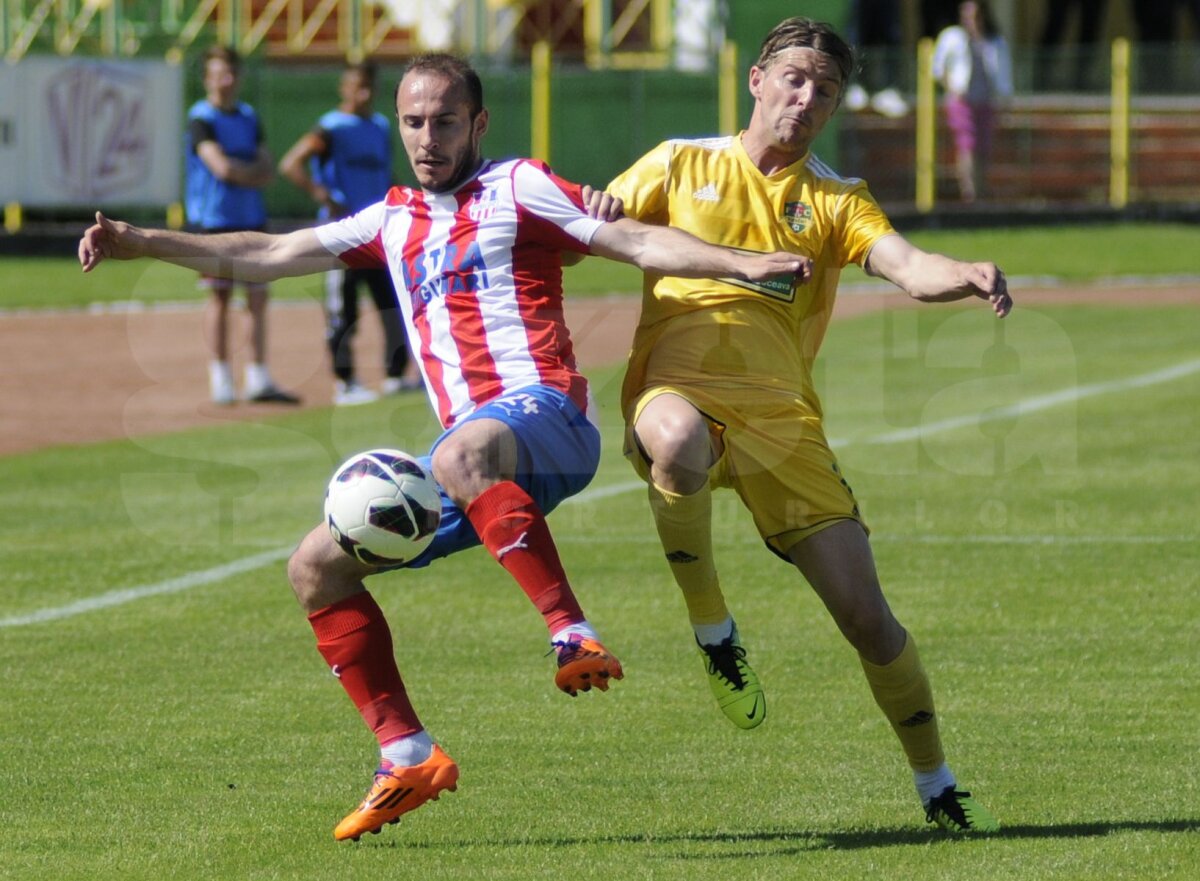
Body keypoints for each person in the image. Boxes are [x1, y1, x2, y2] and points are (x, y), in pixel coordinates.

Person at [79, 53, 807, 842]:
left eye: (445, 121)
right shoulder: (390, 219)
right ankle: (408, 753)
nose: (428, 138)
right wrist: (140, 240)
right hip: (478, 464)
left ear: (479, 123)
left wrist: (747, 265)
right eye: (414, 122)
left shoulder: (518, 186)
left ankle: (571, 630)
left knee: (461, 453)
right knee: (314, 567)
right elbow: (266, 252)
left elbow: (634, 241)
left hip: (550, 420)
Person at [590, 16, 1009, 833]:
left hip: (784, 424)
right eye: (794, 78)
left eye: (824, 88)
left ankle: (939, 786)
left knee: (869, 620)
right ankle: (715, 630)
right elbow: (589, 230)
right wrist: (594, 209)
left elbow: (906, 265)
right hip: (679, 388)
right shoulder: (678, 163)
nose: (806, 97)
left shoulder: (836, 199)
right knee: (675, 439)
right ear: (757, 80)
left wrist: (959, 271)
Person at [278, 60, 422, 406]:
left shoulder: (379, 126)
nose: (365, 93)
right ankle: (345, 382)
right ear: (344, 88)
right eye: (358, 86)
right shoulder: (331, 127)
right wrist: (322, 194)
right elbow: (291, 164)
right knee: (344, 310)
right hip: (342, 235)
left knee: (393, 304)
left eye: (370, 86)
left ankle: (395, 375)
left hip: (379, 234)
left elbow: (386, 172)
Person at [185, 45, 299, 405]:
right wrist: (249, 173)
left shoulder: (249, 116)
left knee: (258, 296)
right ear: (207, 78)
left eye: (232, 73)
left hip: (251, 218)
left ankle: (258, 376)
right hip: (215, 219)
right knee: (220, 296)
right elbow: (221, 168)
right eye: (220, 74)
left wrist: (243, 173)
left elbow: (266, 165)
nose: (227, 81)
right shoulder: (201, 118)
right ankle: (220, 376)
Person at [932, 1, 1012, 203]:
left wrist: (1005, 99)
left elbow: (1003, 74)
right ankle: (970, 193)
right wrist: (953, 89)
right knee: (967, 144)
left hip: (986, 100)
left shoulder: (994, 41)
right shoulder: (953, 37)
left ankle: (981, 190)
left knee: (983, 147)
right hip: (963, 101)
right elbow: (938, 68)